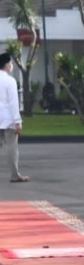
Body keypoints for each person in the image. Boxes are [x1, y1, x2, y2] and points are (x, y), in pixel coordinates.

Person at [0, 52, 26, 183]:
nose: (11, 65)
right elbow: (13, 103)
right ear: (6, 65)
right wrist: (18, 121)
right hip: (7, 118)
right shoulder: (10, 81)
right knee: (11, 147)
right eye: (10, 63)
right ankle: (14, 175)